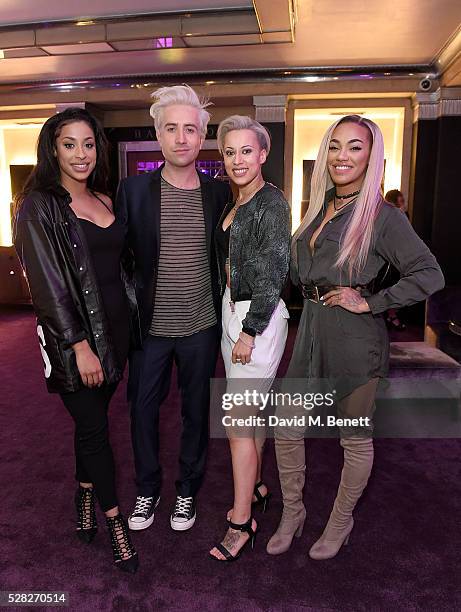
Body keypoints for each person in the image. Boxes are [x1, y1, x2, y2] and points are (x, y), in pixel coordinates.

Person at [267, 115, 444, 559]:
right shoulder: (318, 206)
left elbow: (430, 273)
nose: (343, 156)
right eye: (335, 146)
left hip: (354, 338)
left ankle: (341, 521)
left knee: (353, 436)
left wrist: (371, 301)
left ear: (371, 156)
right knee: (286, 427)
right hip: (309, 329)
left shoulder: (384, 217)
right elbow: (298, 271)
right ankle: (293, 512)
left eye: (355, 147)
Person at [13, 108, 139, 573]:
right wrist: (79, 345)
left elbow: (120, 269)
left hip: (119, 335)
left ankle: (84, 491)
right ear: (53, 149)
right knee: (93, 429)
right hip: (78, 343)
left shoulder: (107, 199)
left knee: (94, 424)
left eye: (89, 143)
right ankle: (115, 523)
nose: (81, 153)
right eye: (70, 144)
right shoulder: (39, 206)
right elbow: (48, 287)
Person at [115, 85, 231, 533]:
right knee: (142, 411)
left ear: (202, 137)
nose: (181, 138)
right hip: (150, 331)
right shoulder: (134, 190)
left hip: (202, 326)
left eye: (190, 129)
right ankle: (148, 489)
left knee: (196, 413)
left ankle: (186, 491)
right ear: (159, 136)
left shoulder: (219, 194)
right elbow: (121, 261)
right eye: (171, 129)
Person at [209, 116, 291, 561]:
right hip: (231, 311)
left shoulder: (271, 203)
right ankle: (257, 487)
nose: (238, 160)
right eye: (229, 151)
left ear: (263, 154)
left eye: (246, 151)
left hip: (253, 322)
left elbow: (274, 273)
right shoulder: (235, 200)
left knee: (238, 424)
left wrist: (249, 330)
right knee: (251, 414)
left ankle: (242, 522)